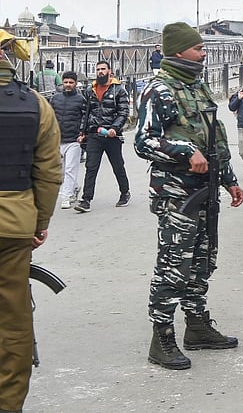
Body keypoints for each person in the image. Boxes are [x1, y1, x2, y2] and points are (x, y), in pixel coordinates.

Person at [134, 21, 243, 370]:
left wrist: (229, 179)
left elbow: (213, 141)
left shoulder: (196, 88)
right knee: (173, 265)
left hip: (206, 191)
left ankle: (196, 327)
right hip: (176, 194)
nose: (203, 52)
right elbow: (143, 141)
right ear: (179, 50)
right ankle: (162, 337)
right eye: (198, 48)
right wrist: (184, 151)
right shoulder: (160, 89)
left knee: (202, 260)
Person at [0, 59, 61, 412]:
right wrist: (40, 221)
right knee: (13, 324)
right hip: (14, 226)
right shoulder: (35, 103)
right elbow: (49, 170)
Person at [74, 60, 131, 213]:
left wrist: (114, 128)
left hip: (112, 136)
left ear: (109, 71)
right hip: (94, 134)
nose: (100, 71)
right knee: (91, 167)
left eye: (103, 69)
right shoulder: (90, 90)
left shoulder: (119, 90)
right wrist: (82, 133)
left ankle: (125, 192)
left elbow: (124, 112)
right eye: (98, 69)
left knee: (117, 165)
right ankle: (86, 200)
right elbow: (85, 114)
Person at [49, 71, 86, 209]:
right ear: (62, 83)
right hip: (58, 139)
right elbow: (50, 117)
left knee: (71, 168)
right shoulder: (55, 99)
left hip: (74, 139)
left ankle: (66, 196)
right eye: (66, 82)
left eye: (71, 82)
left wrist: (82, 132)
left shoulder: (81, 99)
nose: (68, 85)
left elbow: (84, 117)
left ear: (75, 83)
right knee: (61, 170)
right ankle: (74, 187)